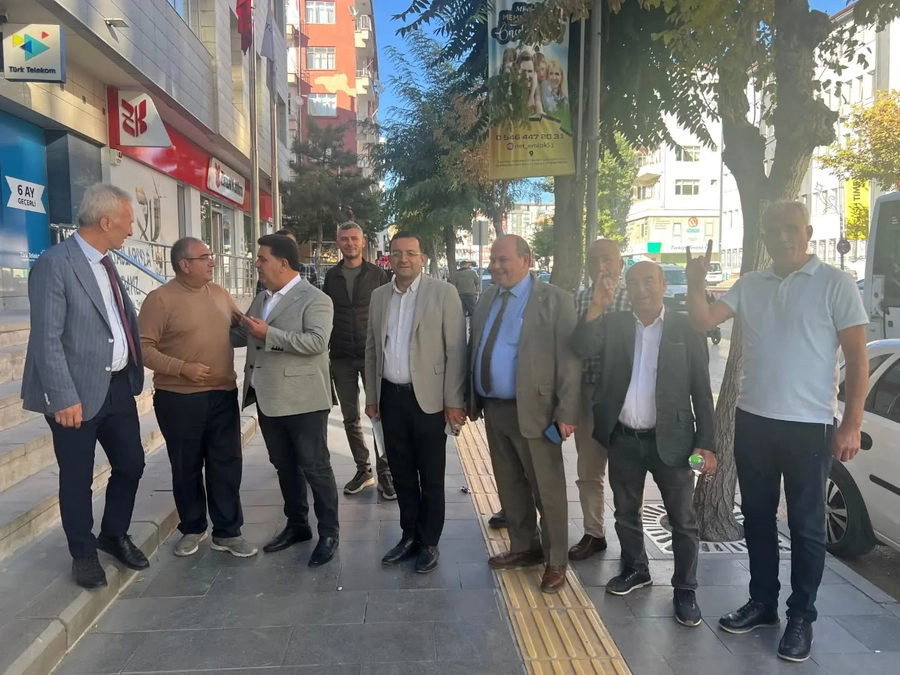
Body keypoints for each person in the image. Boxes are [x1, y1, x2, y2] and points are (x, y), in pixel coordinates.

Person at [685, 201, 869, 663]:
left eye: (792, 228)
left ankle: (801, 616)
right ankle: (763, 602)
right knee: (757, 519)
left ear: (807, 231)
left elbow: (857, 357)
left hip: (810, 425)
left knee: (806, 527)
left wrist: (852, 423)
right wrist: (694, 282)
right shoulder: (751, 284)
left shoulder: (836, 283)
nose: (783, 237)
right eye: (773, 231)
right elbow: (703, 320)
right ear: (764, 237)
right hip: (754, 420)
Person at [572, 261, 716, 626]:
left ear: (664, 284)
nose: (641, 289)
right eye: (633, 282)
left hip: (674, 441)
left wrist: (706, 443)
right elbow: (582, 346)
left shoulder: (685, 326)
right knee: (625, 512)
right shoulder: (615, 323)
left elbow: (702, 390)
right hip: (624, 438)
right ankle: (636, 568)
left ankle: (685, 588)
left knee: (682, 520)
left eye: (648, 281)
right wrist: (597, 306)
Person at [22, 184, 149, 589]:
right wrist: (62, 396)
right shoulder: (55, 264)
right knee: (77, 477)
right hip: (74, 394)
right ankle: (83, 553)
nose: (131, 230)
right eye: (128, 222)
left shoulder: (107, 262)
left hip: (116, 387)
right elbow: (46, 338)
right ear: (106, 221)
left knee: (131, 463)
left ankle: (113, 534)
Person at [469, 235, 580, 594]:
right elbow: (477, 346)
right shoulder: (488, 297)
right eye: (493, 260)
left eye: (503, 259)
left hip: (537, 412)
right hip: (495, 408)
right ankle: (524, 547)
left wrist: (567, 412)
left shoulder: (555, 301)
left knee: (547, 489)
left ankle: (556, 559)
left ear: (527, 260)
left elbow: (570, 361)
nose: (495, 266)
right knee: (510, 484)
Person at [138, 237, 256, 558]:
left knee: (226, 464)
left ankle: (228, 532)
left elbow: (243, 327)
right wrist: (182, 368)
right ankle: (193, 528)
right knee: (186, 465)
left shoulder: (219, 293)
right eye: (205, 257)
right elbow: (143, 348)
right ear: (184, 265)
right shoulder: (160, 300)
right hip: (179, 398)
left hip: (222, 394)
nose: (212, 262)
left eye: (211, 256)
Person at [235, 234, 340, 567]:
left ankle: (329, 533)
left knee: (315, 467)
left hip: (304, 399)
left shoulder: (316, 299)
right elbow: (241, 333)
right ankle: (298, 525)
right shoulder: (261, 298)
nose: (257, 264)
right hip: (268, 397)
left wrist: (270, 334)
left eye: (262, 258)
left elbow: (317, 343)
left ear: (283, 263)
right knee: (284, 466)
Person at [365, 232, 467, 574]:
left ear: (422, 258)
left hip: (430, 400)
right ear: (389, 258)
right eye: (397, 253)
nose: (403, 259)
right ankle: (409, 535)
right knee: (402, 473)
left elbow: (456, 350)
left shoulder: (443, 293)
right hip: (390, 398)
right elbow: (371, 348)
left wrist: (454, 401)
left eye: (410, 253)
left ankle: (429, 542)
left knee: (431, 475)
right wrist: (372, 397)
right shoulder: (380, 296)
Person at [569, 239, 631, 561]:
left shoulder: (635, 298)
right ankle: (594, 533)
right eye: (593, 260)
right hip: (588, 394)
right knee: (588, 469)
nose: (601, 267)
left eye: (607, 259)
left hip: (627, 396)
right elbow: (574, 349)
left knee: (627, 473)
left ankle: (631, 543)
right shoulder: (578, 300)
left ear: (620, 263)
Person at [323, 222, 394, 498]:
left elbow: (389, 312)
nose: (350, 243)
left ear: (363, 242)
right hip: (341, 356)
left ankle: (385, 472)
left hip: (371, 355)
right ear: (338, 243)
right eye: (344, 239)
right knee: (349, 417)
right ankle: (363, 470)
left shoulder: (377, 274)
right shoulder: (331, 277)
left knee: (378, 415)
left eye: (354, 238)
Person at [254, 228, 319, 295]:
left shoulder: (309, 272)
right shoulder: (263, 293)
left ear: (283, 264)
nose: (257, 264)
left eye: (294, 245)